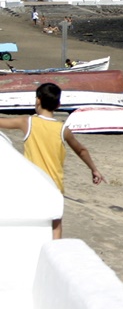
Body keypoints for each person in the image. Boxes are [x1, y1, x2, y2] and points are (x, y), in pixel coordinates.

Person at [0, 83, 105, 239]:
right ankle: (55, 248)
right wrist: (94, 169)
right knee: (56, 225)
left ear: (38, 100)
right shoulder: (63, 129)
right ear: (58, 105)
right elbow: (81, 150)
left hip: (32, 184)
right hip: (55, 185)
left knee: (31, 222)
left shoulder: (27, 122)